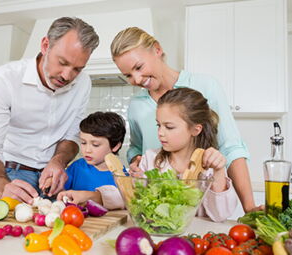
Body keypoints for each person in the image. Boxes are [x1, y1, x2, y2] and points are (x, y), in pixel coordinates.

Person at [110, 27, 261, 213]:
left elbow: (231, 149)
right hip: (159, 208)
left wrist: (250, 207)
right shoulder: (136, 105)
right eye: (128, 75)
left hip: (202, 206)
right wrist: (138, 163)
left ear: (157, 50)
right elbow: (136, 147)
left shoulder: (205, 86)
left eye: (139, 67)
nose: (137, 79)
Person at [0, 17, 99, 204]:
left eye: (77, 69)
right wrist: (2, 186)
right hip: (10, 175)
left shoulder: (83, 83)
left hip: (53, 178)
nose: (67, 75)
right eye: (62, 62)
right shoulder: (5, 79)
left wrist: (58, 161)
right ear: (45, 45)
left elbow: (72, 134)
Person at [139, 87, 237, 222]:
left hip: (197, 239)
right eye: (158, 125)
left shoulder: (210, 166)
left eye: (169, 127)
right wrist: (134, 182)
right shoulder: (150, 159)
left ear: (195, 130)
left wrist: (219, 171)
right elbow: (137, 205)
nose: (160, 133)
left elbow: (220, 215)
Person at [56, 111, 126, 210]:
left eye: (95, 144)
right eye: (83, 143)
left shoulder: (122, 177)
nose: (87, 150)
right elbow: (60, 191)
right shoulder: (77, 167)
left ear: (115, 146)